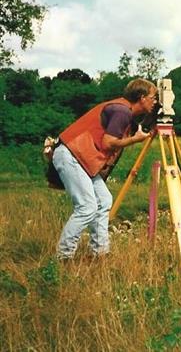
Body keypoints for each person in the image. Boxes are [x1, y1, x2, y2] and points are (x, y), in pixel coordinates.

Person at [52, 78, 158, 260]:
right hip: (73, 155)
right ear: (141, 98)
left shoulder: (125, 111)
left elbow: (128, 133)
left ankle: (99, 253)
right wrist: (135, 139)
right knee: (87, 207)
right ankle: (63, 257)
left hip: (83, 158)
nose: (155, 101)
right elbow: (108, 143)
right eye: (153, 97)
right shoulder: (121, 111)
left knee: (104, 200)